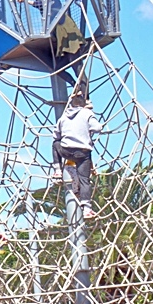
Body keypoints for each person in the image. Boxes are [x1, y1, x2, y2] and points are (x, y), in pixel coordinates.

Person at [52, 92, 103, 221]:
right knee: (84, 180)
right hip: (83, 153)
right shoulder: (87, 113)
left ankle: (57, 170)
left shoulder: (63, 117)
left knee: (55, 144)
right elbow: (98, 128)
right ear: (83, 105)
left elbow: (56, 135)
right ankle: (87, 208)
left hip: (66, 150)